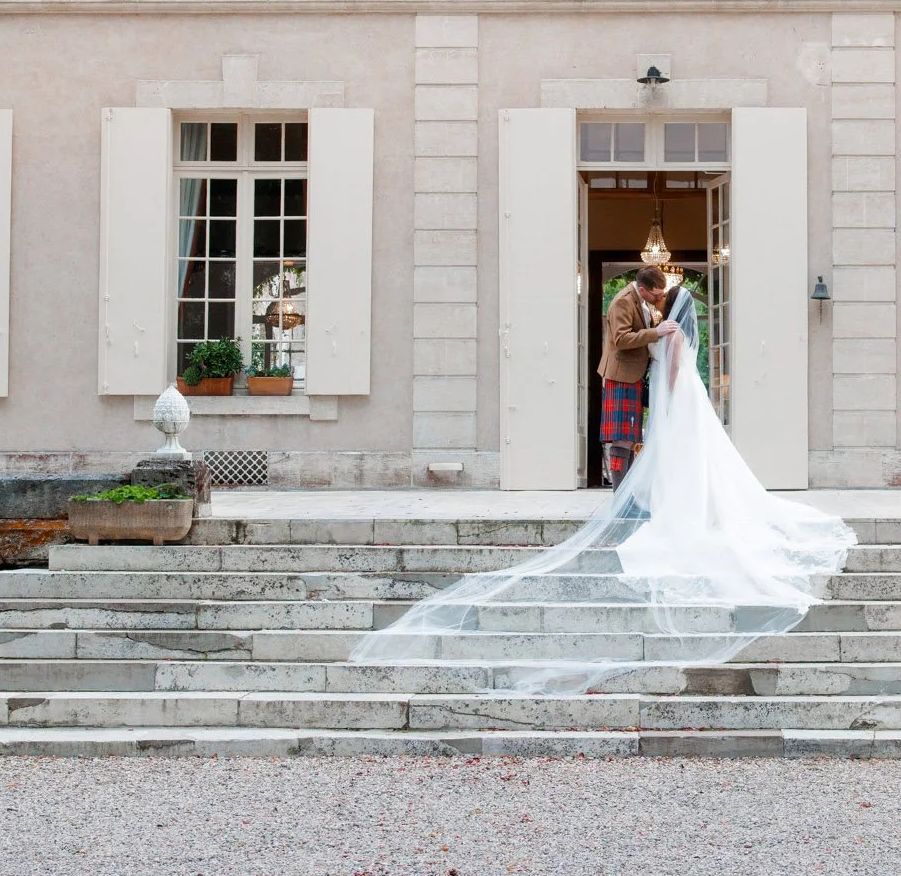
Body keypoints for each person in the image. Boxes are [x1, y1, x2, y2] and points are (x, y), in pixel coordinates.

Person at [351, 282, 857, 694]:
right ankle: (644, 493)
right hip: (641, 382)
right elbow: (624, 342)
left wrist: (663, 341)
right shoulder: (630, 307)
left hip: (667, 390)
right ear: (650, 291)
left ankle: (652, 496)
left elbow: (674, 361)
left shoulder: (667, 327)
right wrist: (658, 336)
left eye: (662, 305)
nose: (658, 307)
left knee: (656, 447)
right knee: (634, 443)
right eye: (656, 300)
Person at [595, 266, 679, 488]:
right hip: (621, 376)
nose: (660, 298)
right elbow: (621, 339)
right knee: (622, 438)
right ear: (643, 289)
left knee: (631, 437)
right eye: (657, 294)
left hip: (632, 376)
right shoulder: (623, 301)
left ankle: (627, 494)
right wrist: (656, 332)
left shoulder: (642, 302)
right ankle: (619, 495)